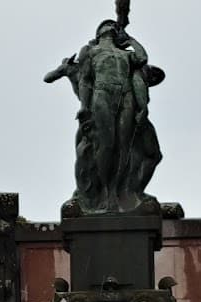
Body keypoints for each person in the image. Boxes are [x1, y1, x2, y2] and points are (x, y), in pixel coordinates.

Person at [45, 21, 164, 214]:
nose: (110, 28)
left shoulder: (126, 54)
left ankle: (117, 191)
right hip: (102, 94)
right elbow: (84, 79)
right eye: (106, 26)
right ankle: (107, 193)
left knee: (123, 145)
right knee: (107, 144)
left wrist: (131, 40)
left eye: (113, 28)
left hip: (124, 96)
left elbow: (142, 57)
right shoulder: (90, 51)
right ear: (99, 33)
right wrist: (84, 106)